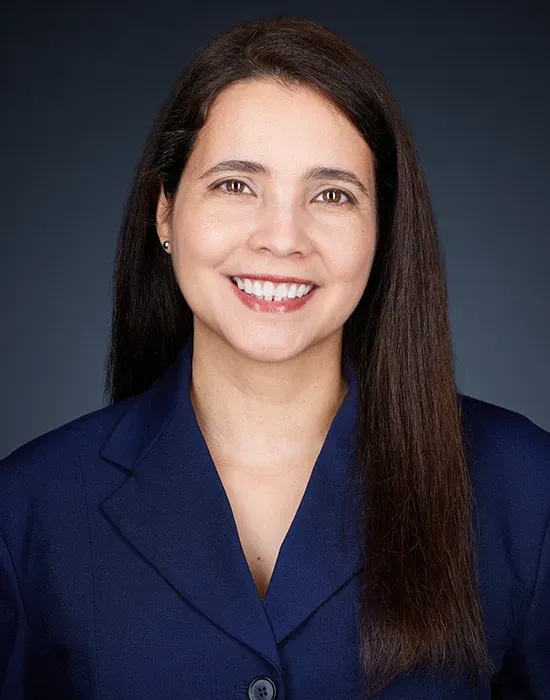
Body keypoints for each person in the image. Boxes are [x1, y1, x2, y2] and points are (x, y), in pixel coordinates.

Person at [0, 15, 549, 700]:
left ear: (382, 231)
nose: (282, 238)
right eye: (236, 185)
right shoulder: (27, 510)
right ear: (165, 212)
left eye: (332, 195)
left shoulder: (526, 490)